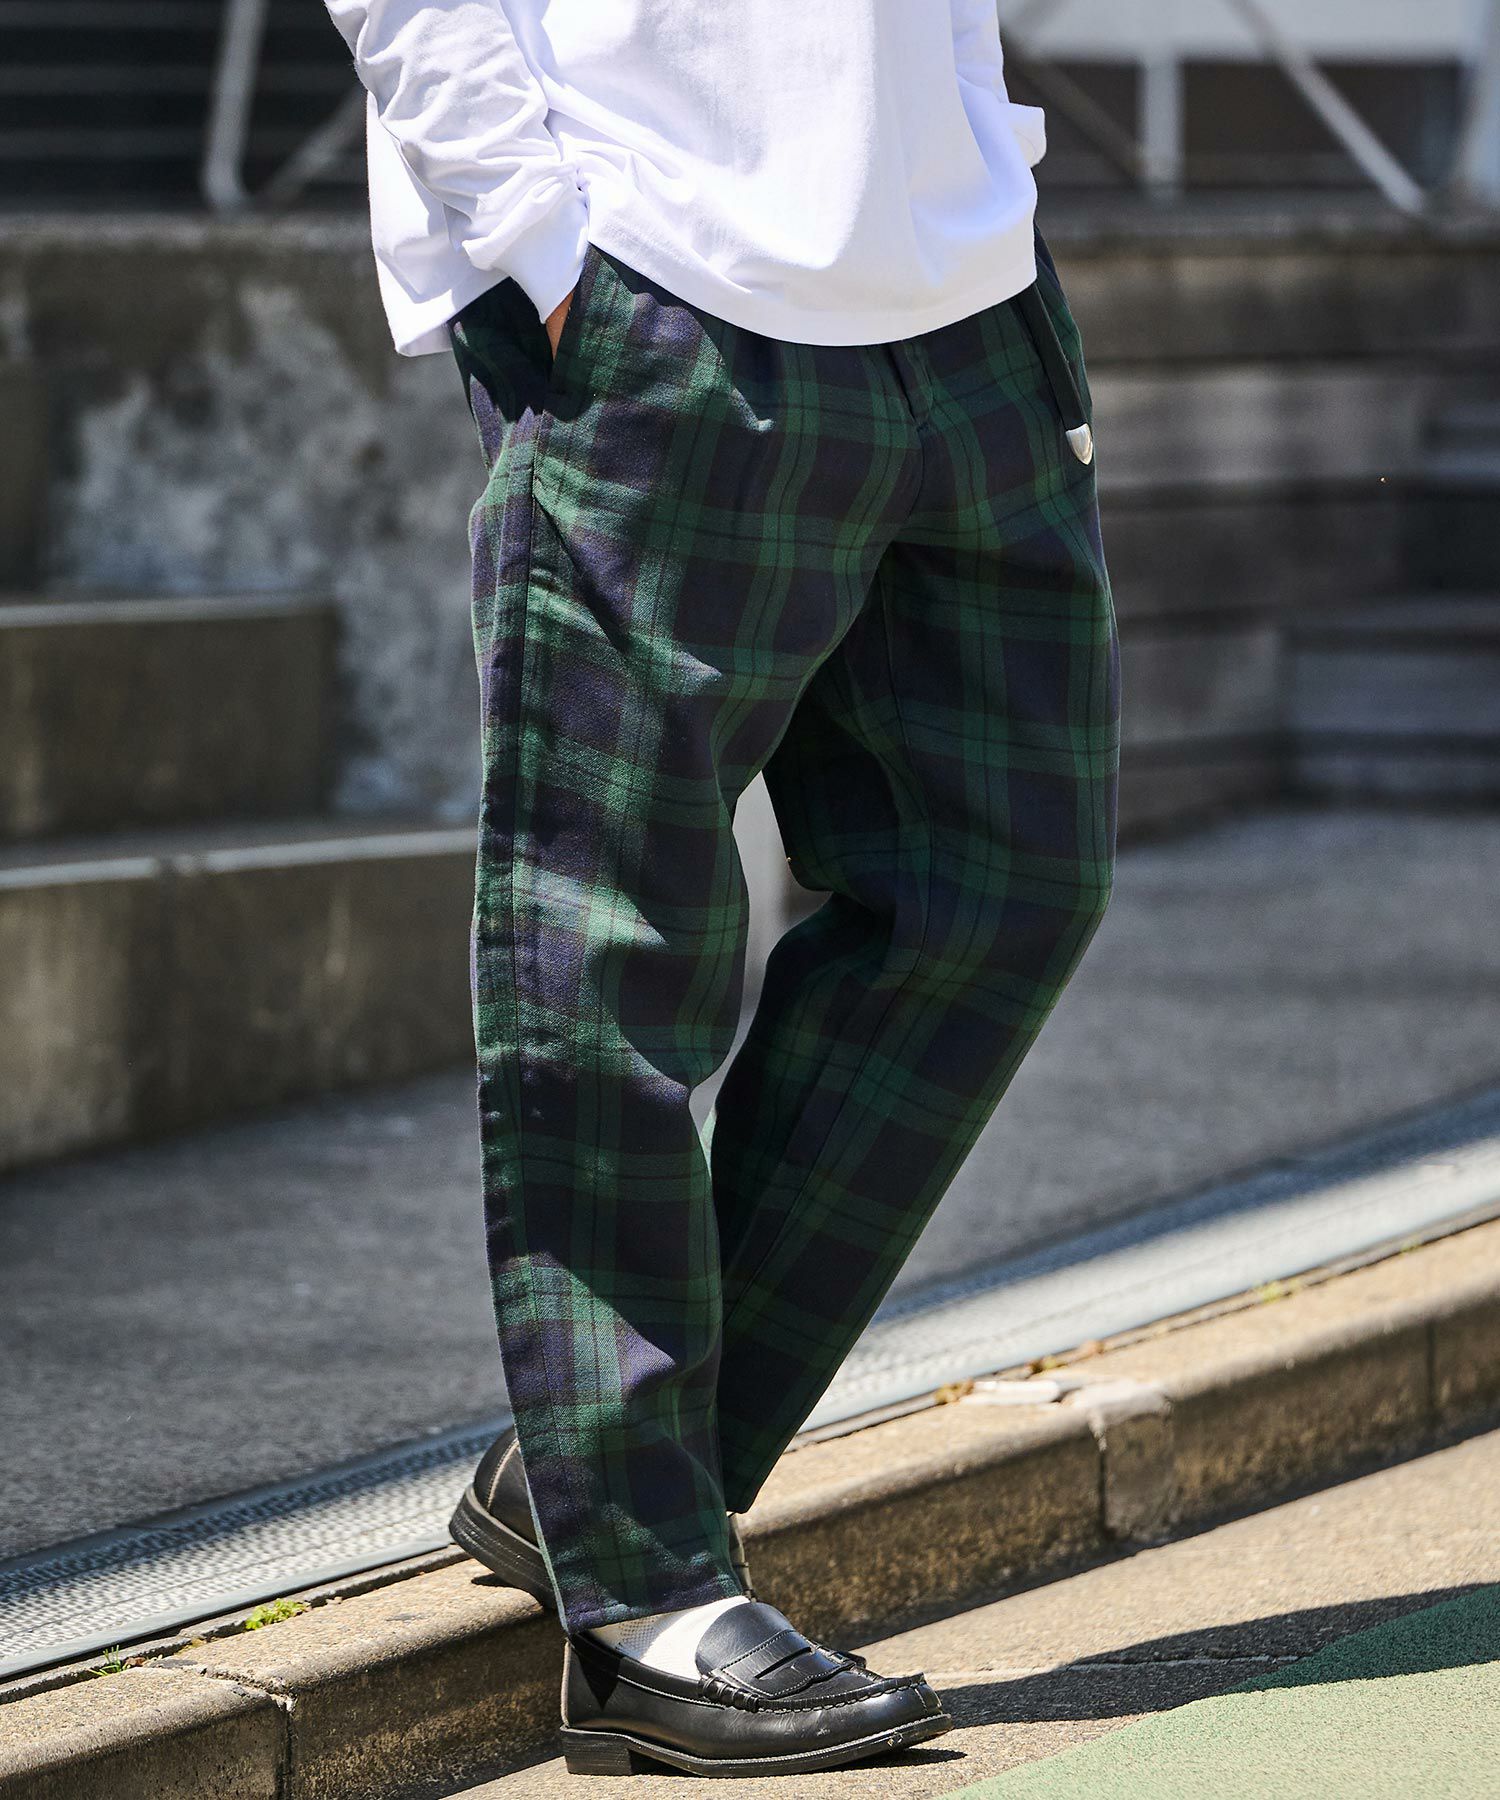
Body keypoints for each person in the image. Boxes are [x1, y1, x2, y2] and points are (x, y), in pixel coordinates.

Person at [324, 0, 1120, 1778]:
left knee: (1009, 881)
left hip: (959, 279)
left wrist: (982, 143)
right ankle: (643, 1600)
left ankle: (591, 1474)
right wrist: (533, 231)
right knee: (610, 952)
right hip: (654, 257)